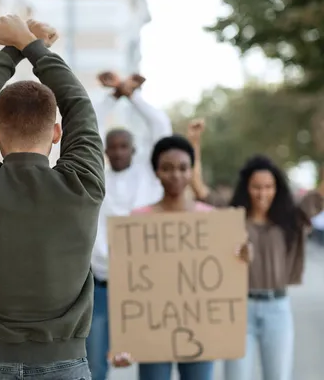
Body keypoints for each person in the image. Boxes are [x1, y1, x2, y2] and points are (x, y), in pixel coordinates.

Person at [0, 15, 104, 379]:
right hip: (65, 365)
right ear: (56, 133)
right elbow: (80, 104)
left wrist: (15, 50)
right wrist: (32, 48)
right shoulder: (83, 185)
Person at [188, 120, 323, 380]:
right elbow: (198, 187)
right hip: (239, 309)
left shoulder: (293, 217)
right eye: (256, 187)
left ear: (277, 188)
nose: (262, 193)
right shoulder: (232, 215)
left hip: (277, 309)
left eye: (268, 187)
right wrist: (194, 142)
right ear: (246, 188)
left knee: (278, 376)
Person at [110, 134, 250, 380]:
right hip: (150, 333)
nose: (175, 175)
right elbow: (126, 285)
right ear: (156, 172)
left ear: (191, 171)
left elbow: (229, 269)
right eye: (167, 168)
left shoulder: (212, 220)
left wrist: (245, 254)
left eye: (183, 168)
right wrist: (123, 339)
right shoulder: (137, 221)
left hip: (201, 332)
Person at [87, 71, 172, 380]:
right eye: (113, 146)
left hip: (144, 286)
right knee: (95, 366)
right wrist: (114, 97)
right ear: (106, 151)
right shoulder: (97, 179)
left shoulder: (149, 177)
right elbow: (86, 123)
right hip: (102, 287)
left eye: (124, 146)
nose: (119, 151)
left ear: (133, 149)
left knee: (152, 364)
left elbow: (160, 126)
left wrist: (131, 95)